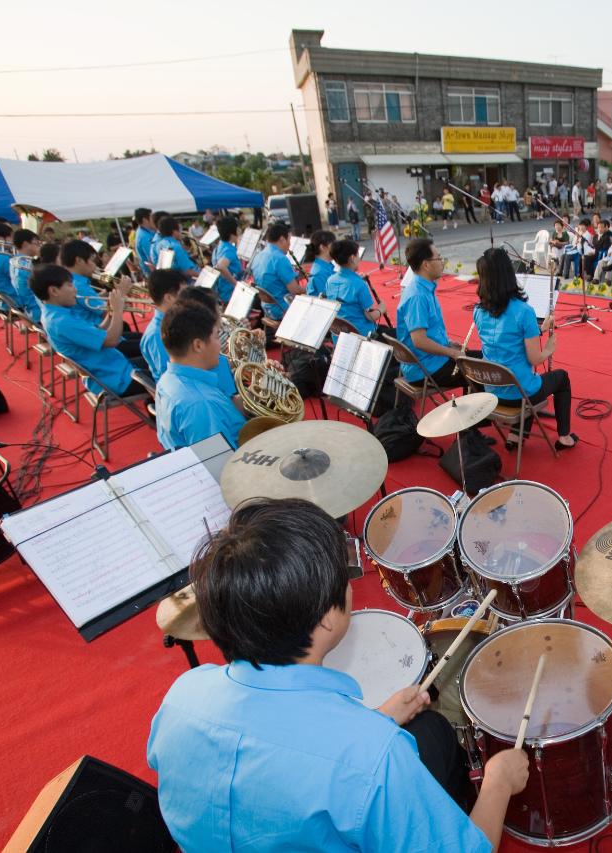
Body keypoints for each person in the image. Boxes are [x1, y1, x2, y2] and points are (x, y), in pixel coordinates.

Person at [147, 497, 528, 851]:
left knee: (429, 730)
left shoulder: (182, 696)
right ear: (328, 619)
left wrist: (378, 720)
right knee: (436, 738)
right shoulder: (375, 757)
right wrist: (497, 781)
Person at [473, 249, 577, 449]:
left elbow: (505, 339)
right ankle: (564, 437)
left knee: (525, 378)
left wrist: (538, 330)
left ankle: (516, 436)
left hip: (492, 390)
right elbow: (535, 359)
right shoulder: (524, 311)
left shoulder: (478, 311)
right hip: (518, 393)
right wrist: (548, 348)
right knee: (560, 378)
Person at [32, 264, 147, 398]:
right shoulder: (61, 321)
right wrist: (117, 310)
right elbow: (112, 340)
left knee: (157, 357)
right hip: (116, 379)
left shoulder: (56, 314)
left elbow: (97, 331)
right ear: (54, 291)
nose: (75, 290)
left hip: (116, 366)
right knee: (163, 368)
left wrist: (110, 310)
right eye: (70, 285)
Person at [153, 300, 247, 450]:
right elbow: (221, 467)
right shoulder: (201, 403)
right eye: (217, 336)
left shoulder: (168, 379)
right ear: (198, 345)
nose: (222, 344)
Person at [397, 238, 467, 389]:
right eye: (439, 258)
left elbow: (426, 332)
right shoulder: (418, 296)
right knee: (482, 372)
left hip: (429, 361)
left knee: (481, 360)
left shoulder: (423, 287)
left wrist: (447, 343)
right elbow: (419, 341)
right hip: (426, 369)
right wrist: (451, 353)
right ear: (426, 264)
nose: (442, 262)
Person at [326, 239, 386, 336]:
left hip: (339, 335)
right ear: (352, 258)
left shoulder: (330, 280)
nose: (359, 259)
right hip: (361, 336)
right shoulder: (359, 284)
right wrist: (382, 308)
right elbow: (371, 316)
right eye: (358, 255)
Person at [249, 222, 303, 321]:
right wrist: (309, 289)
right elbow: (295, 290)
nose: (289, 245)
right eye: (289, 241)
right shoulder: (280, 259)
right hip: (282, 309)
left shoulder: (259, 256)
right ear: (282, 239)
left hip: (267, 307)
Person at [141, 268, 185, 381]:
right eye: (184, 294)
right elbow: (171, 377)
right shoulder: (157, 335)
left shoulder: (174, 319)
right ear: (169, 298)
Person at [9, 229, 42, 319]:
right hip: (38, 311)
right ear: (25, 244)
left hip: (29, 310)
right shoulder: (27, 265)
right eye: (36, 243)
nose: (39, 245)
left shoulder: (15, 261)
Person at [210, 216, 242, 303]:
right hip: (230, 294)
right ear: (232, 233)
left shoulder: (219, 246)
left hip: (221, 291)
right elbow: (220, 266)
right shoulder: (229, 250)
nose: (239, 232)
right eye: (237, 229)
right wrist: (236, 284)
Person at [302, 230, 337, 296]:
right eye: (334, 245)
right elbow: (330, 298)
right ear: (323, 247)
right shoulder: (320, 272)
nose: (337, 248)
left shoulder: (324, 266)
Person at [133, 208, 157, 275]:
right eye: (151, 217)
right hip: (154, 273)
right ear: (145, 220)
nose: (154, 220)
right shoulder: (144, 237)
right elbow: (152, 258)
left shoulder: (144, 231)